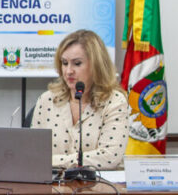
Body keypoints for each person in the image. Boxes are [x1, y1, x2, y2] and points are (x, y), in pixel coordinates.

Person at [29, 28, 131, 170]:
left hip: (99, 188)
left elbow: (109, 157)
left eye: (77, 64)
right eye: (64, 63)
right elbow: (33, 155)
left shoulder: (114, 102)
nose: (68, 71)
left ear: (96, 65)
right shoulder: (47, 100)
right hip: (52, 187)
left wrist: (54, 161)